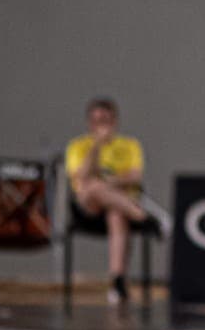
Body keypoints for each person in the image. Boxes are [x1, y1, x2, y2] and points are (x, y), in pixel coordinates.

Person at [63, 98, 163, 304]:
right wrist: (96, 147)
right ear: (89, 123)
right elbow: (81, 178)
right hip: (87, 208)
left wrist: (109, 181)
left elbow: (135, 176)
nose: (100, 126)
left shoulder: (129, 145)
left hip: (118, 205)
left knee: (116, 214)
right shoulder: (78, 146)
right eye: (96, 121)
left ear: (114, 121)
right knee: (93, 187)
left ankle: (117, 280)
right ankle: (142, 217)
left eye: (105, 120)